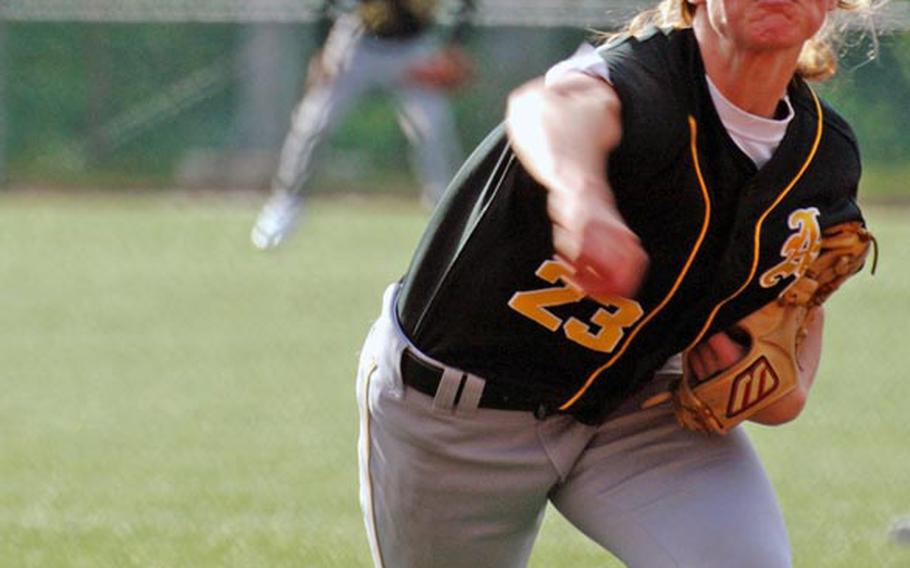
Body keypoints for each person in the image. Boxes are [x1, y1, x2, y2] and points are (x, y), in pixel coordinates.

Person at [356, 0, 873, 566]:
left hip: (637, 406)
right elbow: (550, 106)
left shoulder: (823, 157)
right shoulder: (642, 80)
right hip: (459, 416)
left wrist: (791, 385)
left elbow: (800, 299)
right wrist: (581, 199)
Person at [251, 0, 475, 249]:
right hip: (358, 43)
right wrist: (321, 47)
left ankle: (448, 218)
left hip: (414, 47)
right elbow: (327, 4)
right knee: (313, 123)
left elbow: (466, 5)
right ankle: (285, 203)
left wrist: (455, 46)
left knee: (433, 131)